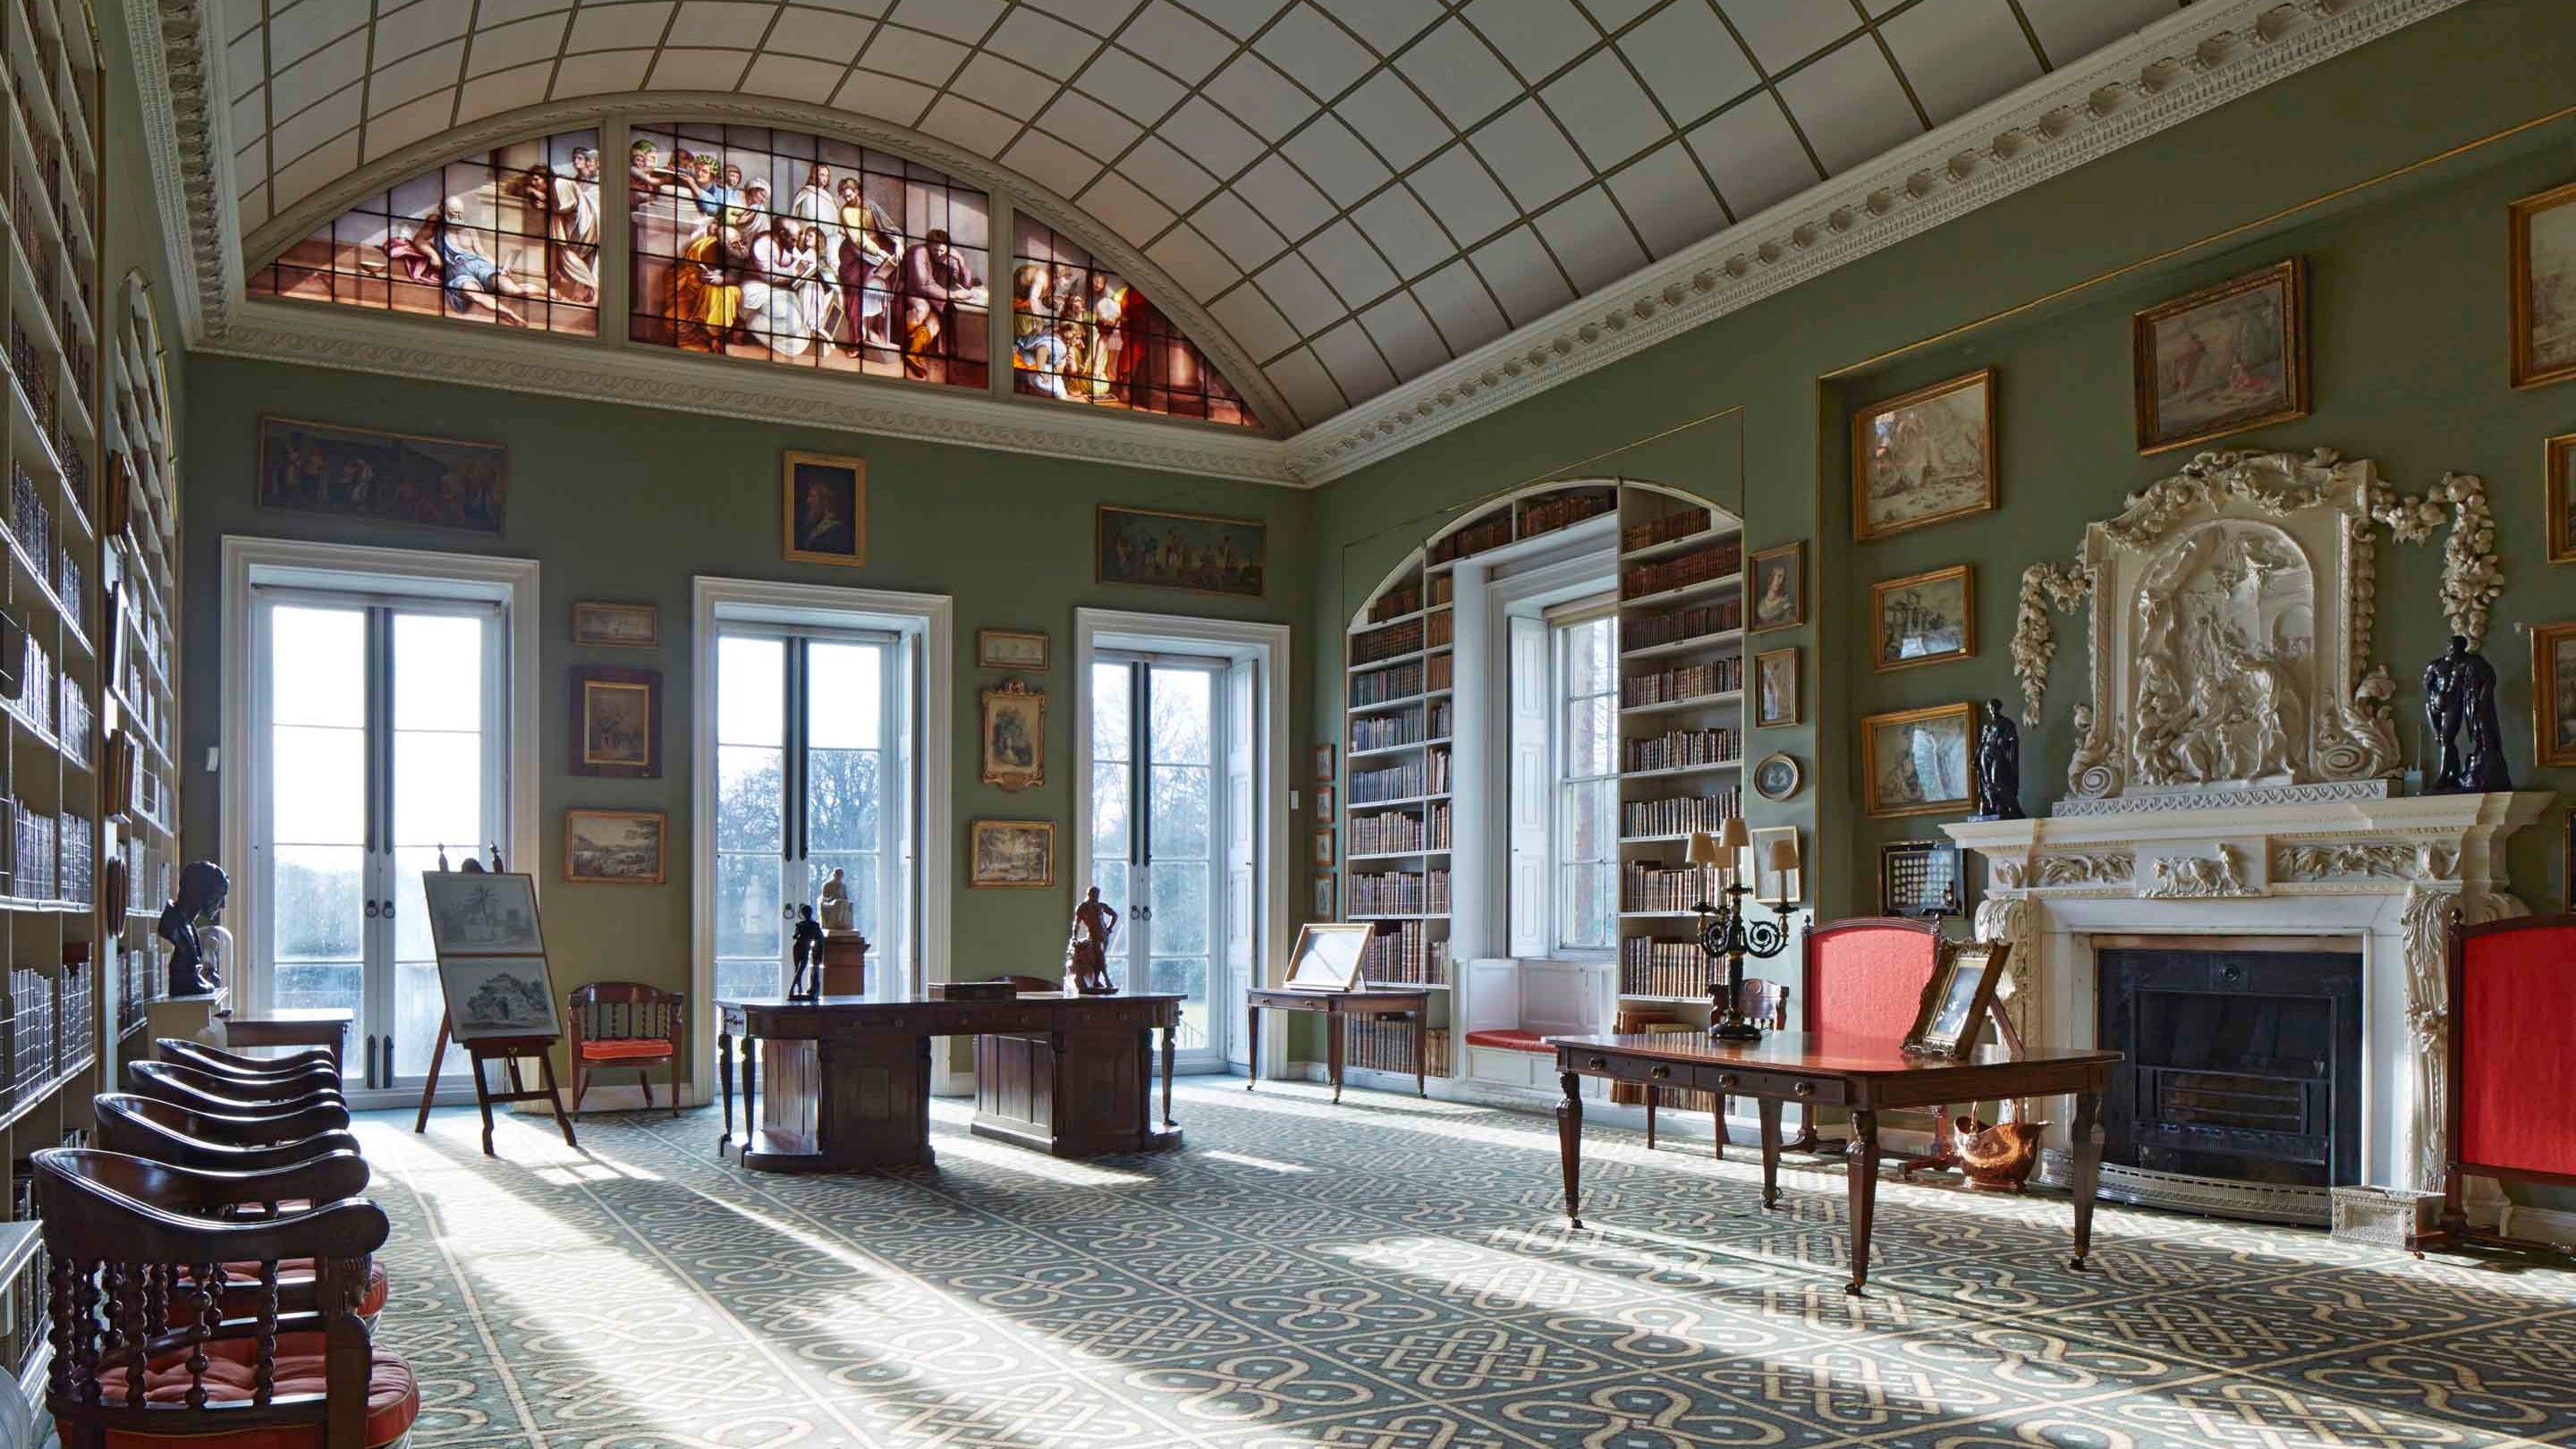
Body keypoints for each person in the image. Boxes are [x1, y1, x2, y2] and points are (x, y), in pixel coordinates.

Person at [900, 228, 985, 379]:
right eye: (935, 250)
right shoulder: (919, 253)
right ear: (928, 246)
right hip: (908, 292)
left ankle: (912, 354)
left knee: (934, 326)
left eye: (942, 250)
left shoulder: (948, 257)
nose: (939, 254)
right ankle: (909, 348)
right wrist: (953, 295)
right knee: (922, 309)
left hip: (934, 298)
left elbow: (967, 284)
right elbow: (922, 284)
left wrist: (960, 261)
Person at [522, 147, 599, 304]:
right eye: (532, 180)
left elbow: (567, 206)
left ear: (546, 177)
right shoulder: (555, 185)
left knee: (566, 256)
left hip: (583, 224)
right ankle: (584, 286)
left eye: (537, 179)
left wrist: (546, 205)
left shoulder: (560, 183)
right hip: (573, 223)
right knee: (562, 255)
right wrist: (535, 192)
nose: (534, 183)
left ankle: (590, 285)